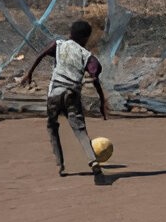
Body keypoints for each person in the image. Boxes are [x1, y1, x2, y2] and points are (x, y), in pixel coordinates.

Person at [23, 20, 109, 183]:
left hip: (55, 93)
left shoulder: (59, 44)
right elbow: (95, 76)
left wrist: (29, 73)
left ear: (70, 33)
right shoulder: (87, 56)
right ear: (86, 38)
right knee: (80, 131)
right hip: (72, 93)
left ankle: (60, 164)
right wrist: (102, 101)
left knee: (52, 126)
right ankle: (94, 161)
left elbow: (41, 54)